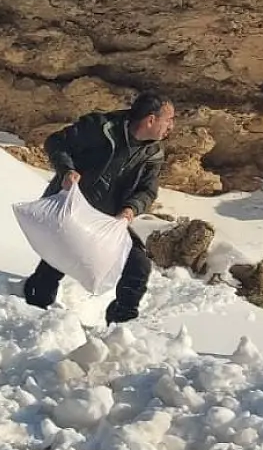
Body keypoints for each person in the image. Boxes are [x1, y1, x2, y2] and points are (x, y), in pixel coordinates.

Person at [22, 91, 175, 324]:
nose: (172, 127)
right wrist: (67, 171)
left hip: (108, 218)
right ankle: (31, 310)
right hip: (73, 208)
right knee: (58, 258)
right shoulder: (100, 127)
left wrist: (131, 209)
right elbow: (56, 142)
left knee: (139, 265)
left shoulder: (153, 152)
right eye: (169, 120)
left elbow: (148, 190)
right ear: (151, 120)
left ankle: (121, 323)